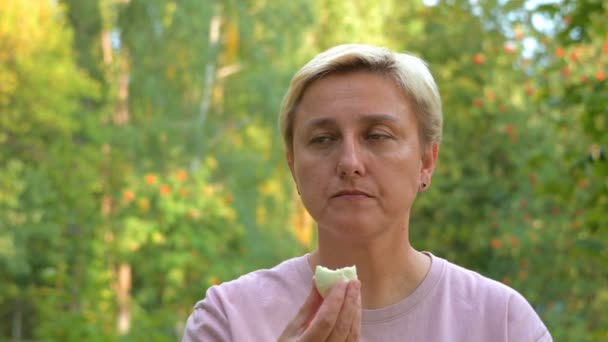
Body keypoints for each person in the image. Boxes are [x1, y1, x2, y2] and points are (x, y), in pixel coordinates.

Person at [183, 44, 552, 341]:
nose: (350, 162)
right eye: (323, 139)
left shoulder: (502, 323)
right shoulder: (229, 319)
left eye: (377, 135)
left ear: (426, 160)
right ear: (293, 166)